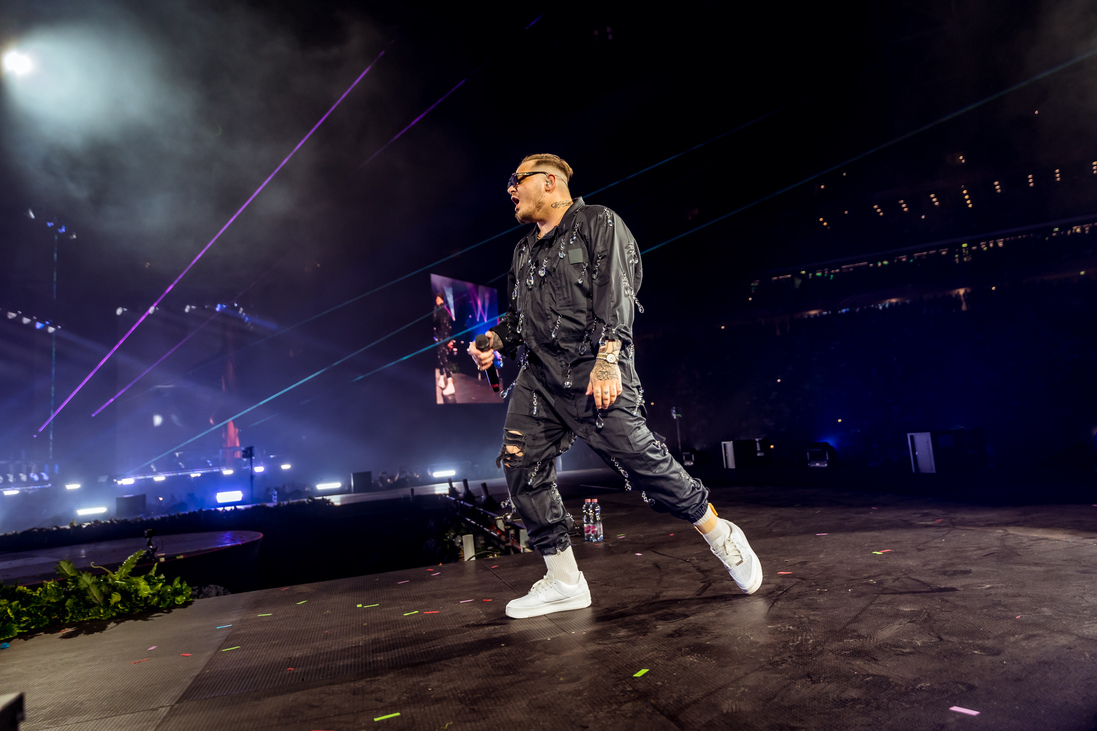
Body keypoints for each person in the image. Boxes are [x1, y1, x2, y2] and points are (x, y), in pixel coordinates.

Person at [468, 154, 762, 619]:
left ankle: (719, 533)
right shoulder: (523, 250)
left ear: (548, 182)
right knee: (520, 464)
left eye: (515, 181)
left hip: (592, 369)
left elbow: (617, 291)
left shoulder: (598, 222)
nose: (510, 191)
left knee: (641, 461)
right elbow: (519, 320)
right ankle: (564, 579)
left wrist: (608, 359)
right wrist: (494, 341)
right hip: (540, 378)